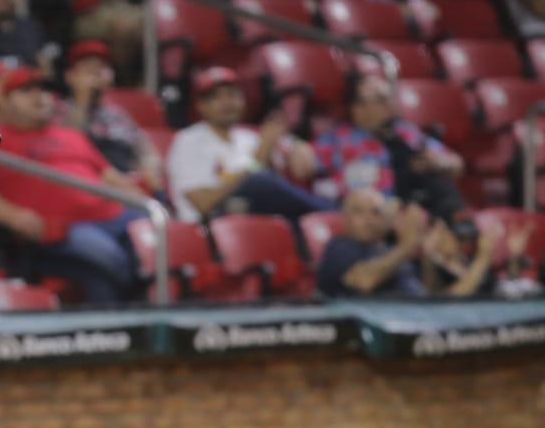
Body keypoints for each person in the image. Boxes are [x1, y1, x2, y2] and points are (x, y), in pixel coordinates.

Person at [0, 64, 146, 306]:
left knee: (158, 236)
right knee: (107, 257)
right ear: (4, 101)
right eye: (26, 91)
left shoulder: (72, 136)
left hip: (113, 217)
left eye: (45, 90)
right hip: (60, 229)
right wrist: (14, 217)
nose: (40, 97)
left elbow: (112, 178)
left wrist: (142, 199)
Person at [167, 67, 329, 223]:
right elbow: (203, 204)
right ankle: (330, 212)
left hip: (255, 218)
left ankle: (327, 213)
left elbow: (292, 164)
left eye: (232, 95)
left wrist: (298, 146)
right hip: (209, 224)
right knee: (258, 182)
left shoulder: (247, 137)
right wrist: (256, 162)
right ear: (200, 105)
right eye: (216, 97)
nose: (227, 103)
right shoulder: (189, 141)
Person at [313, 74, 466, 223]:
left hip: (419, 208)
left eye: (390, 98)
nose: (390, 104)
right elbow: (303, 162)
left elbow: (456, 163)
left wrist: (437, 164)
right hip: (374, 218)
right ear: (357, 108)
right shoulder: (339, 139)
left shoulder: (406, 132)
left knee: (442, 187)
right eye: (381, 100)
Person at [57, 40, 163, 190]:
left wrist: (149, 168)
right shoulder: (58, 110)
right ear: (70, 76)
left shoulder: (118, 115)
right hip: (86, 186)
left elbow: (147, 150)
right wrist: (82, 99)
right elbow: (66, 149)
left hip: (127, 185)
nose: (96, 74)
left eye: (102, 68)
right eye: (88, 69)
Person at [317, 190, 428, 298]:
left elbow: (427, 292)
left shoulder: (392, 249)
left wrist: (427, 256)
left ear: (387, 219)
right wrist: (406, 247)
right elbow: (364, 282)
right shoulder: (339, 248)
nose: (368, 219)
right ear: (345, 218)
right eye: (358, 212)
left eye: (376, 212)